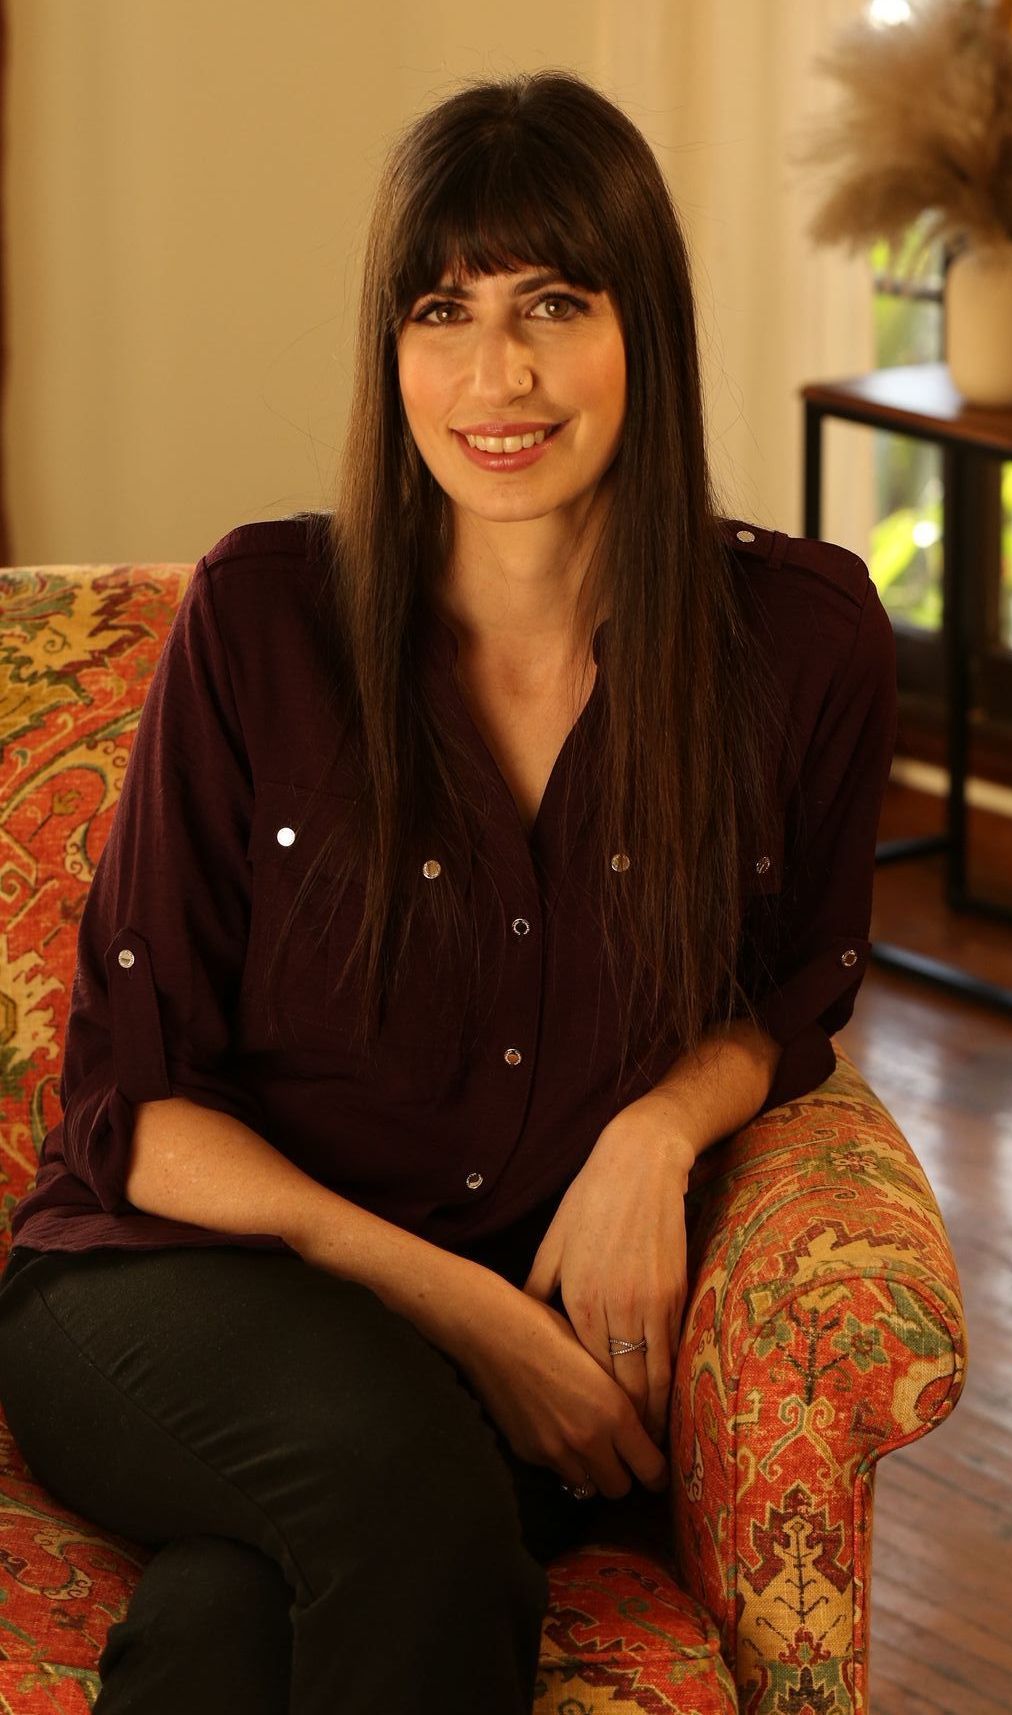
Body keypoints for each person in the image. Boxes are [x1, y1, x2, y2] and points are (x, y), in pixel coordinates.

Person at [0, 68, 897, 1715]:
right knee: (412, 1504)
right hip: (161, 1291)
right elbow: (134, 1101)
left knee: (223, 1630)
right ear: (390, 348)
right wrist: (474, 1315)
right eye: (442, 312)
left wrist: (654, 1132)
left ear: (646, 331)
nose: (498, 376)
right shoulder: (262, 619)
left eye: (553, 303)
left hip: (455, 1402)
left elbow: (792, 992)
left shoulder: (803, 645)